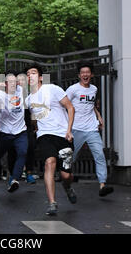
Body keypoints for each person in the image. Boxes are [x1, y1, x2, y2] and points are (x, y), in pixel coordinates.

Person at [25, 64, 76, 216]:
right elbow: (35, 117)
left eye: (33, 73)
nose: (30, 76)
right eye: (27, 74)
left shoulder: (53, 89)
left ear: (40, 77)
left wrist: (69, 130)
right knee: (49, 163)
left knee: (66, 175)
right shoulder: (29, 100)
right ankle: (52, 202)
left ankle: (68, 187)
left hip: (62, 134)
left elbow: (70, 108)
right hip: (44, 135)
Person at [66, 61, 114, 197]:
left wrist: (99, 116)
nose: (85, 75)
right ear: (79, 75)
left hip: (92, 128)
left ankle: (102, 184)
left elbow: (91, 104)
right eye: (83, 73)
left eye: (87, 72)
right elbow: (65, 104)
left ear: (91, 74)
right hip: (76, 128)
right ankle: (66, 181)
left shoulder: (94, 89)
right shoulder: (73, 89)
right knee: (71, 158)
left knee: (99, 155)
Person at [0, 71, 28, 193]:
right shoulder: (1, 95)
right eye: (10, 82)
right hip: (6, 132)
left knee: (22, 153)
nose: (13, 84)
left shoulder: (21, 91)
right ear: (6, 83)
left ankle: (14, 179)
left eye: (15, 81)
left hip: (20, 131)